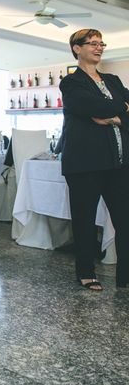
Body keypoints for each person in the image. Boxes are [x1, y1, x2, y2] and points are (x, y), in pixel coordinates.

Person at [60, 28, 129, 291]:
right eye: (93, 43)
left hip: (119, 162)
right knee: (85, 220)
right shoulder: (71, 83)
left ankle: (125, 275)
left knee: (125, 219)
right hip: (85, 163)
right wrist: (122, 108)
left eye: (102, 43)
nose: (99, 48)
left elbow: (103, 110)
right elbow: (90, 107)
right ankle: (86, 272)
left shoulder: (112, 80)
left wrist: (115, 116)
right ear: (77, 48)